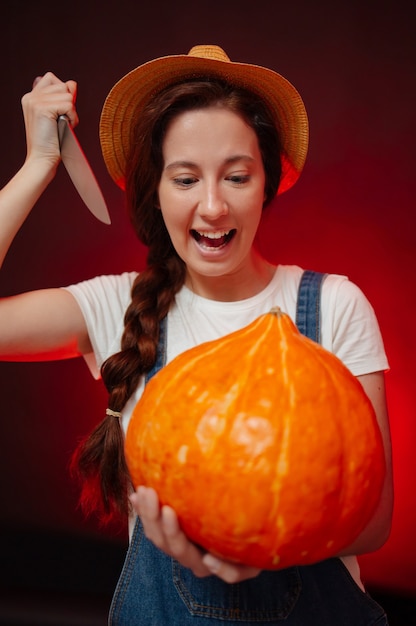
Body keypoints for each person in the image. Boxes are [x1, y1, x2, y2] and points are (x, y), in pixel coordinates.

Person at [0, 45, 393, 625]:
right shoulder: (116, 306)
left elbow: (374, 521)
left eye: (236, 176)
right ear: (154, 192)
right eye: (185, 179)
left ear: (267, 185)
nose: (212, 206)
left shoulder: (333, 305)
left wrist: (254, 546)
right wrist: (38, 164)